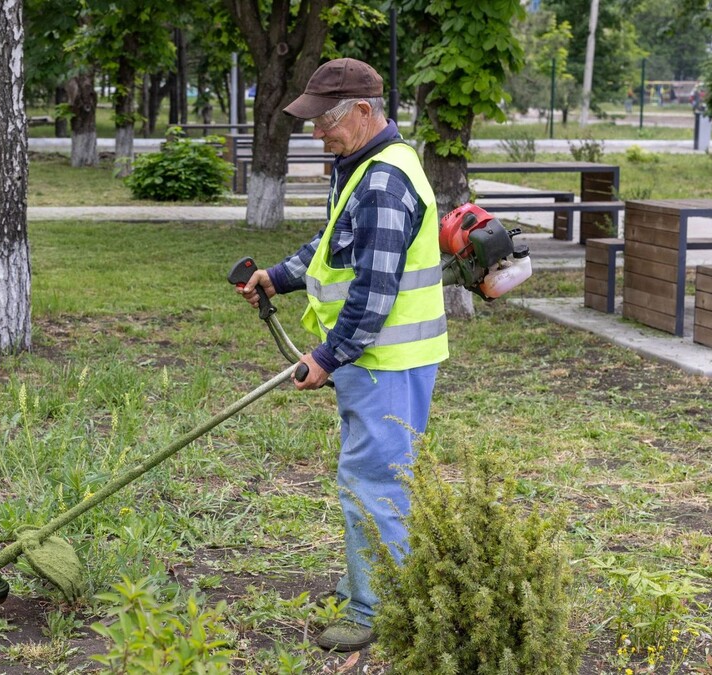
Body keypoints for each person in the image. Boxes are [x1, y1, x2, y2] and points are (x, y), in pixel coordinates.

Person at [236, 58, 447, 652]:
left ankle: (374, 607)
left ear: (362, 111)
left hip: (386, 364)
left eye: (324, 121)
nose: (315, 133)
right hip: (373, 363)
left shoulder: (385, 181)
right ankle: (373, 573)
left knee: (372, 481)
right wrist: (278, 276)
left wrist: (328, 357)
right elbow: (334, 246)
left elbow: (374, 291)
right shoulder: (359, 167)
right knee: (374, 477)